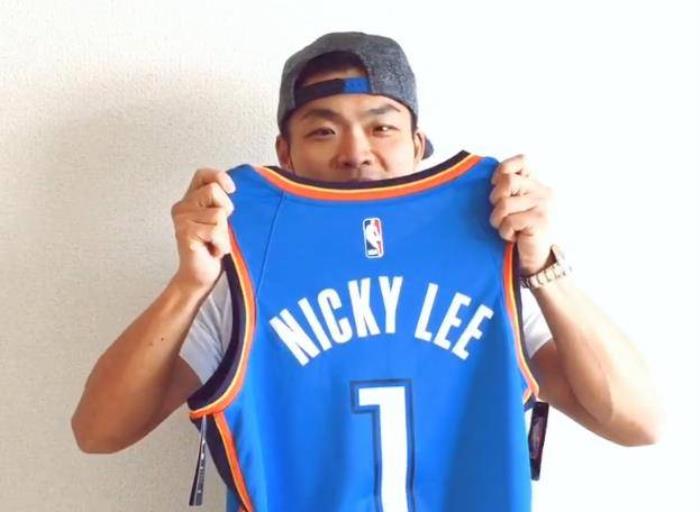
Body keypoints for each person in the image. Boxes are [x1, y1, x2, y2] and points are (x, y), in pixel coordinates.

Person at [71, 31, 662, 510]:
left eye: (381, 127)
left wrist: (545, 265)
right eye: (322, 130)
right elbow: (98, 432)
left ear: (418, 143)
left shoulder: (492, 257)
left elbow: (640, 422)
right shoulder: (245, 271)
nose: (355, 152)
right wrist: (189, 285)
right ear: (285, 153)